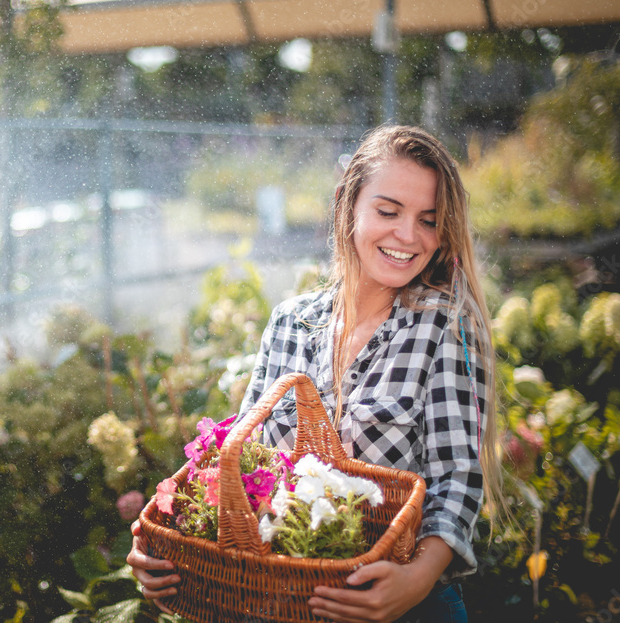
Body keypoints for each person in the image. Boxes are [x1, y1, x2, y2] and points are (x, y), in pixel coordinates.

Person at [127, 125, 503, 623]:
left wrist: (414, 582)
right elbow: (241, 461)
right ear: (347, 205)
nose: (408, 236)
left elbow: (457, 478)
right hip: (283, 602)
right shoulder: (289, 322)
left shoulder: (443, 325)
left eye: (429, 221)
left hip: (401, 607)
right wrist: (167, 540)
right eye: (388, 211)